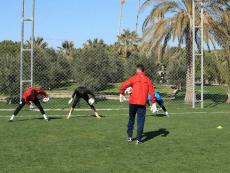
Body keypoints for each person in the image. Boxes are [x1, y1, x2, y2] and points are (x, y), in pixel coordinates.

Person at [120, 64, 157, 144]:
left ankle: (129, 137)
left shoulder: (133, 78)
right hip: (142, 103)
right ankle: (139, 140)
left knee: (131, 119)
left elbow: (124, 84)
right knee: (140, 121)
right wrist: (153, 103)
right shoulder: (147, 79)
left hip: (132, 102)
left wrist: (121, 92)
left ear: (137, 70)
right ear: (143, 71)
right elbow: (152, 92)